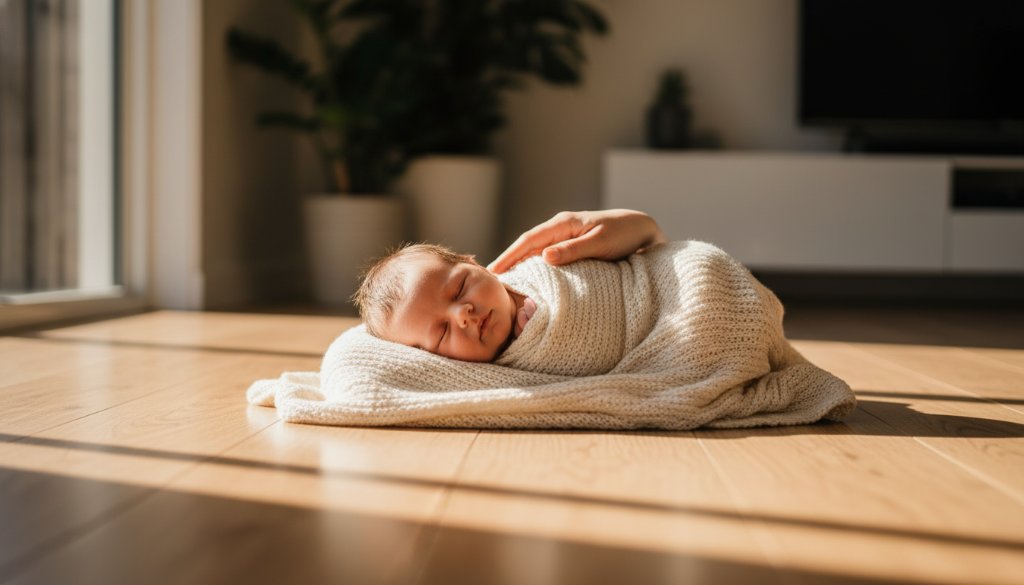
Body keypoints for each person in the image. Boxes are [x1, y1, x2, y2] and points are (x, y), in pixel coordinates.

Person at [352, 209, 666, 363]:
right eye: (442, 333)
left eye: (461, 287)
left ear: (473, 263)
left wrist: (641, 226)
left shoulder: (539, 266)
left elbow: (646, 260)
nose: (463, 314)